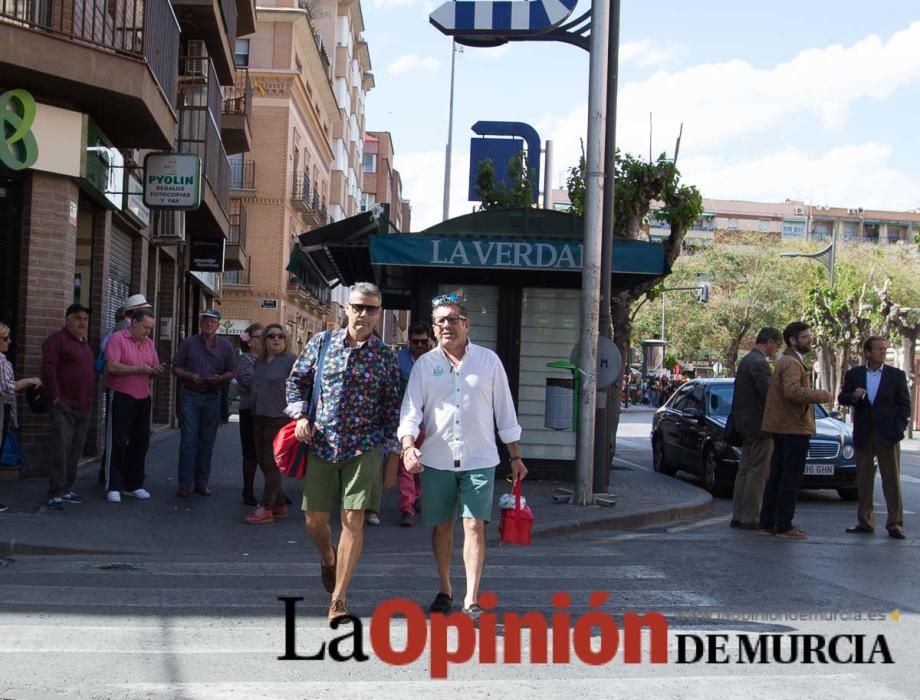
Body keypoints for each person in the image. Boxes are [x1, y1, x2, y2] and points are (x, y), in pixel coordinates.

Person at [399, 293, 527, 620]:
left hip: (480, 459)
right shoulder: (425, 365)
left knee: (473, 526)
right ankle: (445, 588)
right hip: (437, 460)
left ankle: (471, 598)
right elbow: (411, 412)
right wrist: (408, 445)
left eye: (452, 319)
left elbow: (506, 413)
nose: (446, 326)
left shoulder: (489, 362)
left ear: (467, 324)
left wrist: (515, 457)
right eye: (440, 321)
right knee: (442, 527)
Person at [285, 281, 401, 622]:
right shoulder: (322, 344)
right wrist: (301, 415)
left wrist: (393, 457)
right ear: (346, 309)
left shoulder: (384, 357)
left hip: (364, 447)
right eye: (358, 307)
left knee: (353, 519)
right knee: (314, 521)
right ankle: (328, 557)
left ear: (379, 314)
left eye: (371, 309)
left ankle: (339, 597)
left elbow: (392, 409)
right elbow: (296, 382)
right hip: (322, 443)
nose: (363, 314)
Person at [758, 321, 833, 540]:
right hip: (792, 428)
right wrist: (821, 395)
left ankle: (769, 522)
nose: (810, 340)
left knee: (778, 476)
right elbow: (792, 392)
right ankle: (784, 525)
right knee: (789, 478)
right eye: (805, 337)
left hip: (785, 426)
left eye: (810, 336)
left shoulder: (788, 361)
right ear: (792, 340)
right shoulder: (791, 363)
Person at [838, 336, 911, 539]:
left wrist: (898, 428)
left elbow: (905, 405)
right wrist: (853, 395)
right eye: (879, 348)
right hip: (863, 433)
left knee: (891, 480)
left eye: (884, 348)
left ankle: (895, 523)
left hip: (888, 434)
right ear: (867, 353)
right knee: (864, 479)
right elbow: (842, 397)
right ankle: (865, 521)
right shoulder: (855, 374)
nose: (883, 351)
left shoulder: (896, 375)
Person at [172, 308, 237, 497]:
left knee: (207, 441)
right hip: (191, 394)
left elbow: (232, 371)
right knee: (188, 440)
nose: (209, 324)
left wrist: (220, 378)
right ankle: (185, 483)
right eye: (206, 320)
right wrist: (192, 376)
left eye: (213, 321)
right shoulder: (189, 343)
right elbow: (176, 367)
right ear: (201, 323)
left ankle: (202, 482)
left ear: (218, 325)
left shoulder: (225, 346)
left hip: (212, 396)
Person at [102, 308, 163, 503]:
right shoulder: (118, 339)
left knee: (141, 442)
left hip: (143, 396)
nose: (147, 332)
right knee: (118, 441)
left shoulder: (149, 343)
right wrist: (138, 369)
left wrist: (156, 370)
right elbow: (111, 366)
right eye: (145, 327)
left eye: (150, 328)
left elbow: (153, 365)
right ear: (134, 322)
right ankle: (113, 485)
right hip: (121, 395)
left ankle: (134, 484)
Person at [41, 304, 96, 510]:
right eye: (78, 318)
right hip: (64, 406)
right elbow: (49, 368)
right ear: (67, 320)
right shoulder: (57, 341)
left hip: (83, 406)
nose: (82, 322)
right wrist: (56, 397)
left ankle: (67, 489)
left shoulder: (84, 344)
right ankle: (55, 493)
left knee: (75, 451)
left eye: (85, 319)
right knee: (60, 450)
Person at [729, 327, 783, 529]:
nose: (775, 350)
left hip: (745, 424)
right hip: (759, 425)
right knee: (757, 472)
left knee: (744, 470)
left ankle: (739, 514)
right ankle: (750, 516)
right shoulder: (759, 363)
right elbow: (768, 393)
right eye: (776, 345)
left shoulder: (746, 360)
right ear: (768, 341)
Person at [244, 324, 297, 525]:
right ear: (265, 340)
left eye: (281, 336)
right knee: (262, 460)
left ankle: (266, 507)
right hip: (258, 415)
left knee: (271, 462)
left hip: (279, 418)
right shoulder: (260, 361)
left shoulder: (291, 360)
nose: (277, 339)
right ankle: (280, 504)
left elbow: (302, 384)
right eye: (272, 336)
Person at [1, 322, 42, 512]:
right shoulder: (1, 361)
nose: (9, 342)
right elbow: (6, 388)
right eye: (4, 338)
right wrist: (29, 381)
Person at [394, 322, 431, 527]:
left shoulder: (436, 359)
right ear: (409, 341)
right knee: (406, 465)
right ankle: (407, 507)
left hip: (432, 422)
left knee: (422, 464)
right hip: (408, 421)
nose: (419, 345)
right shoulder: (399, 359)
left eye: (423, 342)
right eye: (415, 342)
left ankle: (416, 496)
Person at [235, 323, 263, 506]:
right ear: (251, 342)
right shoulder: (245, 360)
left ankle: (275, 492)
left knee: (270, 455)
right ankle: (248, 491)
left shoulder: (271, 360)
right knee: (250, 454)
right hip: (249, 411)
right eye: (260, 337)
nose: (265, 340)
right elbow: (250, 383)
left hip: (269, 412)